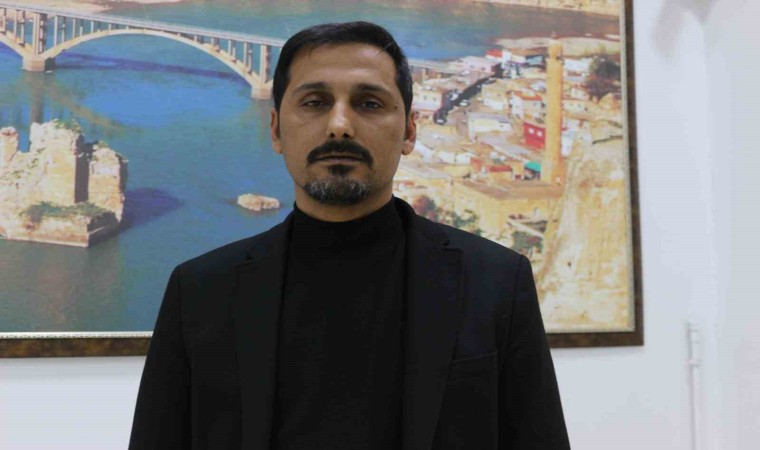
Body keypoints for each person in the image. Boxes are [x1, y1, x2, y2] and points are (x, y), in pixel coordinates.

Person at [129, 21, 570, 450]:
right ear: (276, 129)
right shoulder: (200, 292)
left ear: (409, 132)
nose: (339, 125)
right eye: (315, 102)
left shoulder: (496, 283)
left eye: (369, 103)